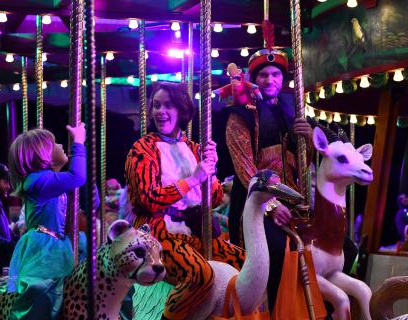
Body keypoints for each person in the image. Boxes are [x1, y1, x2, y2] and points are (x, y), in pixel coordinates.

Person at [125, 82, 245, 320]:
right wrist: (192, 180)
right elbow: (148, 199)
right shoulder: (143, 149)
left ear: (181, 110)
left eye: (168, 105)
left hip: (194, 230)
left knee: (243, 262)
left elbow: (216, 197)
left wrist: (210, 173)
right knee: (199, 274)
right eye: (156, 106)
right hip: (158, 232)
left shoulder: (193, 148)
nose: (160, 111)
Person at [225, 48, 313, 310]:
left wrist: (306, 139)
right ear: (254, 79)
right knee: (277, 249)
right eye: (263, 75)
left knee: (339, 248)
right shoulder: (240, 116)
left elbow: (301, 169)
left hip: (292, 204)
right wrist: (271, 205)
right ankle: (275, 310)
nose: (270, 80)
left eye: (276, 74)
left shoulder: (289, 116)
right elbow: (245, 169)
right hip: (256, 207)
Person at [7, 124, 86, 320]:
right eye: (55, 143)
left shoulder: (47, 181)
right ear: (43, 154)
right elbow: (77, 177)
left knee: (58, 297)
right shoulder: (38, 180)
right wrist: (78, 143)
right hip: (44, 248)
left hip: (54, 243)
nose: (61, 144)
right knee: (42, 296)